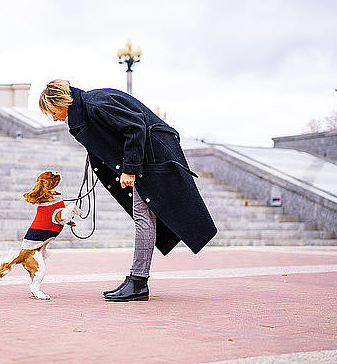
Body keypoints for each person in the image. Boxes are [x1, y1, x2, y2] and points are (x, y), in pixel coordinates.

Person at [38, 79, 218, 302]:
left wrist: (130, 169)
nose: (54, 117)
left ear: (60, 102)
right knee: (143, 215)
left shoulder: (96, 104)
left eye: (52, 111)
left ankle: (138, 282)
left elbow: (135, 126)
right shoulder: (87, 108)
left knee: (143, 215)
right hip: (147, 155)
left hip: (152, 157)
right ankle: (137, 280)